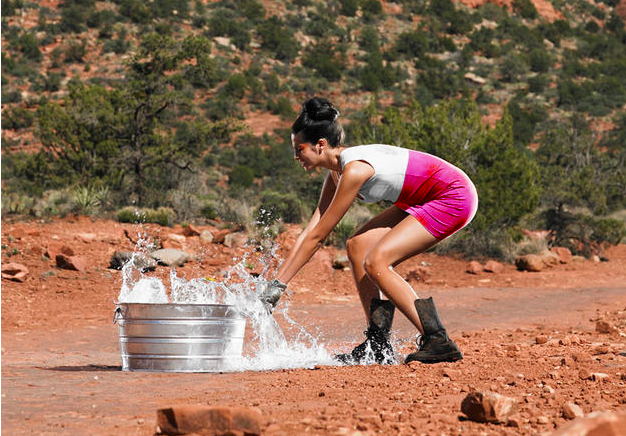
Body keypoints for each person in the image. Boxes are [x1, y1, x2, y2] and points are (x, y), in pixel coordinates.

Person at [260, 97, 478, 365]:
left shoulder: (354, 170)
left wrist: (278, 288)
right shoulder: (336, 173)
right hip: (421, 198)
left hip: (453, 196)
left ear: (320, 145)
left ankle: (437, 340)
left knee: (376, 262)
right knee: (357, 246)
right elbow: (312, 229)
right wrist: (274, 283)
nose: (296, 157)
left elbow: (319, 238)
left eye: (299, 149)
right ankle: (378, 344)